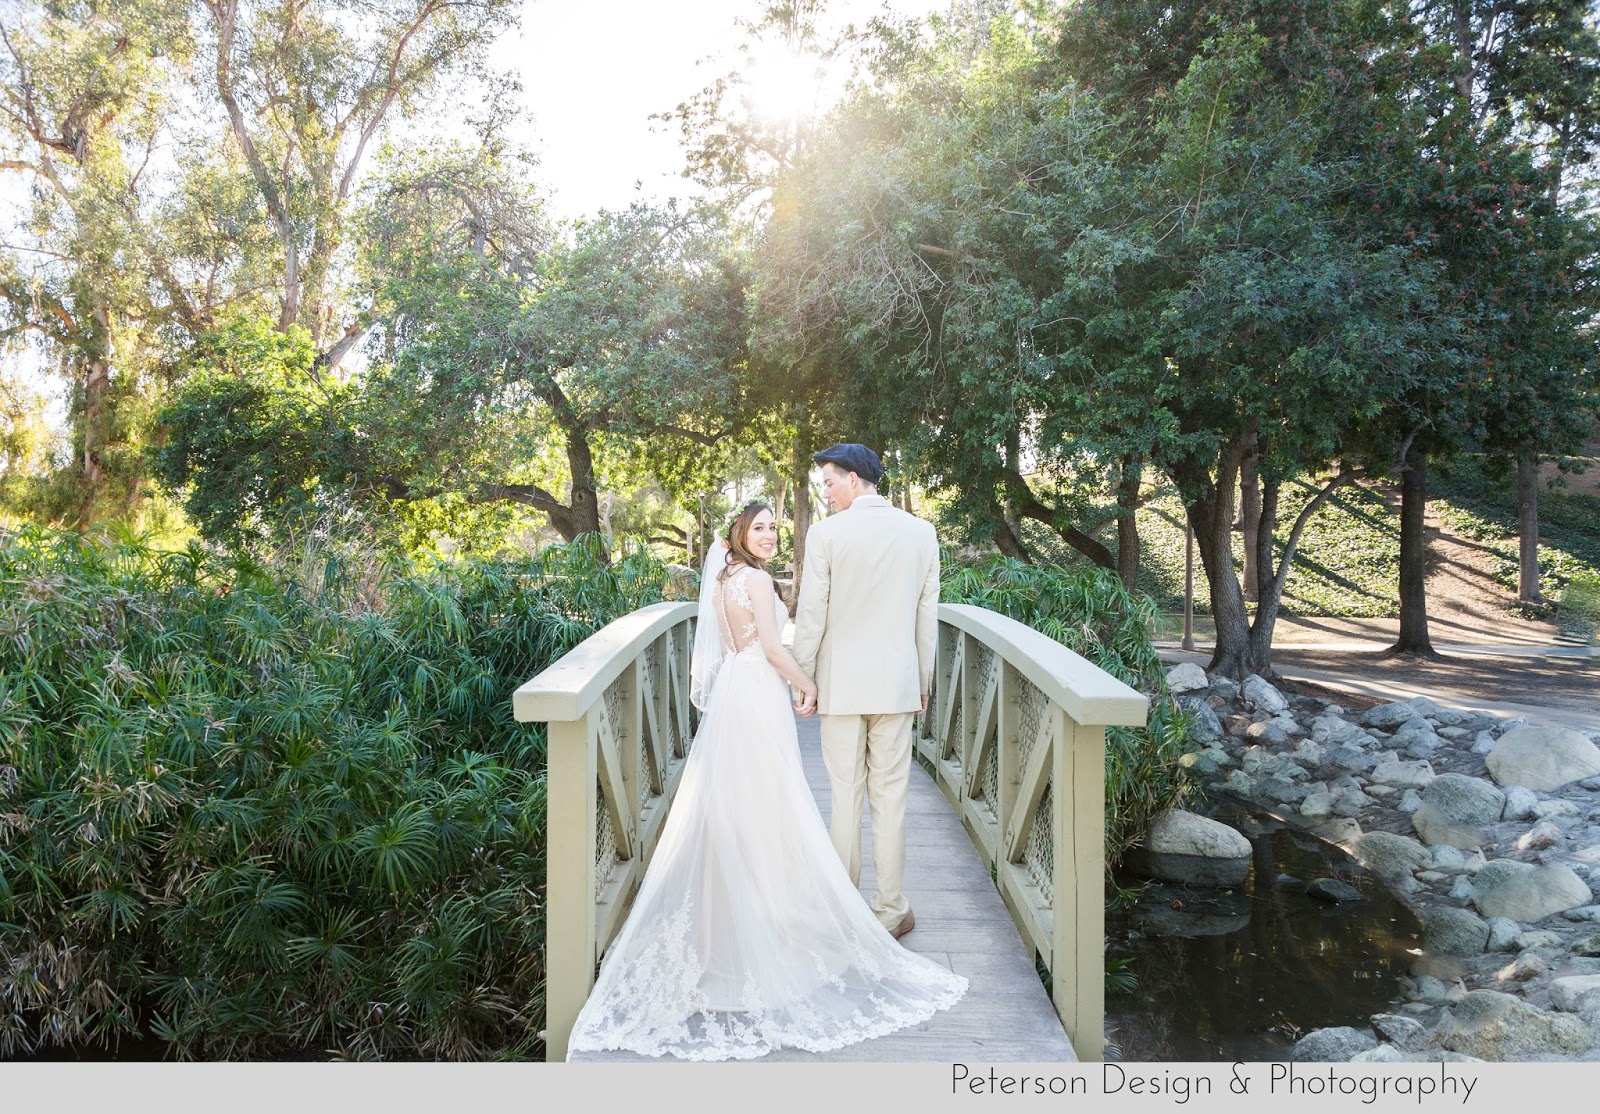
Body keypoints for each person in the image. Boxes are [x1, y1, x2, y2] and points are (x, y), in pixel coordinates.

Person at [565, 501, 966, 1061]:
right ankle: (770, 928)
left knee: (734, 808)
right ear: (739, 533)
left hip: (735, 691)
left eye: (775, 527)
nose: (771, 535)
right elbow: (775, 650)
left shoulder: (723, 577)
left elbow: (736, 646)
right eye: (760, 528)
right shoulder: (754, 580)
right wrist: (812, 686)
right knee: (771, 807)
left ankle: (730, 926)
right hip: (758, 696)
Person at [791, 443, 939, 942]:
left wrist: (805, 679)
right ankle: (891, 911)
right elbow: (926, 618)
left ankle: (841, 906)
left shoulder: (827, 535)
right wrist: (922, 683)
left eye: (830, 482)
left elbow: (812, 612)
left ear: (853, 479)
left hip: (840, 686)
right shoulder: (921, 534)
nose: (826, 493)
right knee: (890, 798)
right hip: (897, 686)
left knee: (845, 796)